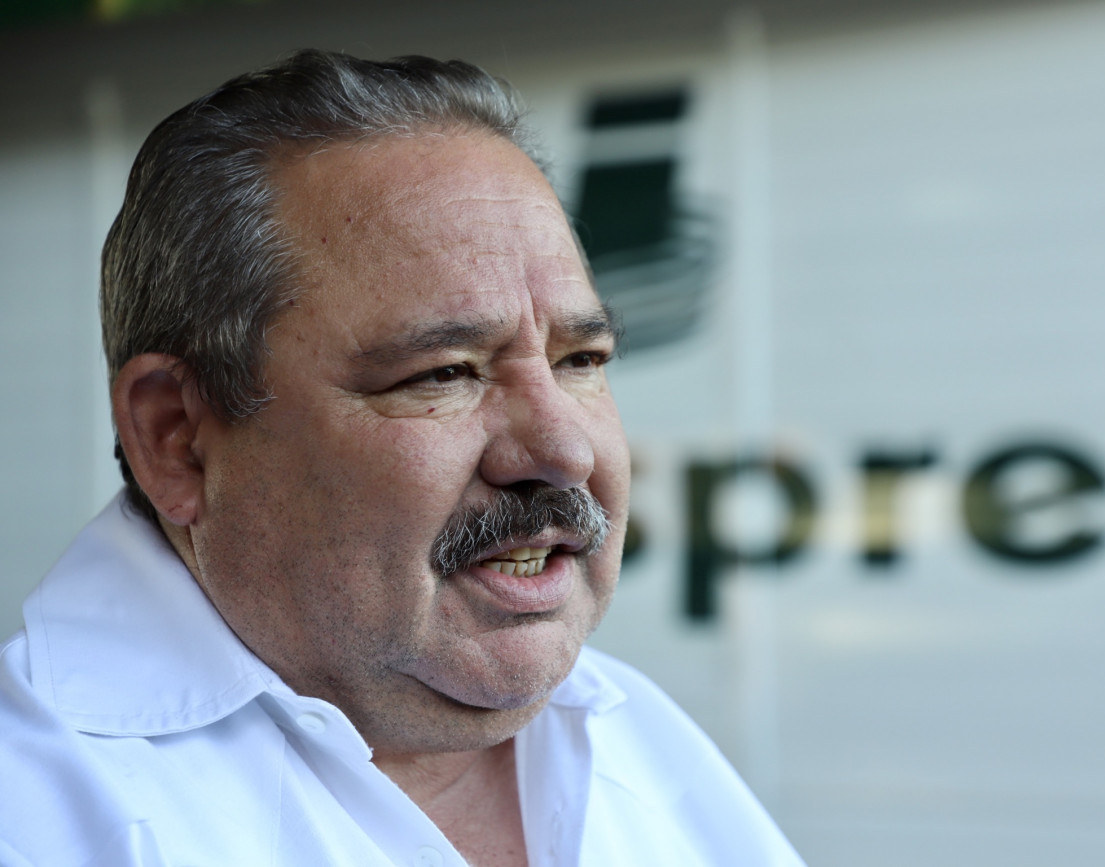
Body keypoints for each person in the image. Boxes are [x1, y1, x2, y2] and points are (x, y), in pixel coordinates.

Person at [0, 50, 803, 866]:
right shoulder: (33, 812)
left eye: (581, 360)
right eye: (443, 373)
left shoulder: (640, 734)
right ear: (175, 438)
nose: (563, 451)